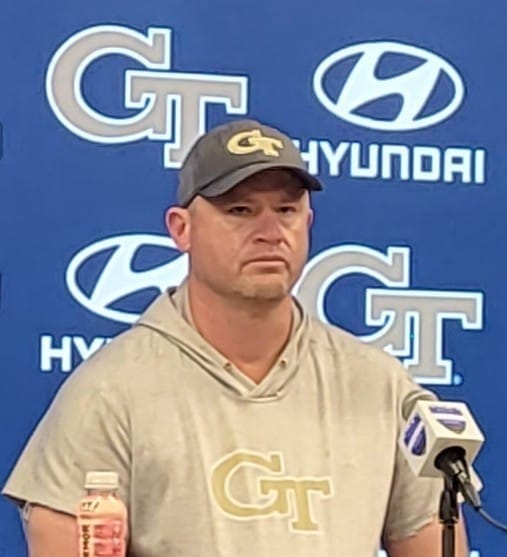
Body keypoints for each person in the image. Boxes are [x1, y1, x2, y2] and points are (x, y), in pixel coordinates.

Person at [2, 119, 469, 556]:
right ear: (181, 229)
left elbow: (435, 541)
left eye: (286, 210)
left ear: (308, 223)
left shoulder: (380, 385)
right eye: (240, 210)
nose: (270, 232)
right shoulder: (108, 394)